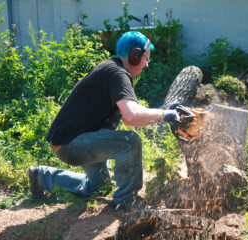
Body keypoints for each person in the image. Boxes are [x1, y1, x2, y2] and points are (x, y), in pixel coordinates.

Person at [29, 31, 180, 211]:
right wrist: (163, 114)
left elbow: (128, 119)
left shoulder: (112, 69)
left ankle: (42, 176)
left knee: (99, 186)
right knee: (130, 142)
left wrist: (161, 115)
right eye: (146, 59)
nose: (146, 65)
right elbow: (132, 116)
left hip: (73, 139)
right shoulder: (118, 74)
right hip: (72, 143)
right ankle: (126, 201)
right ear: (135, 56)